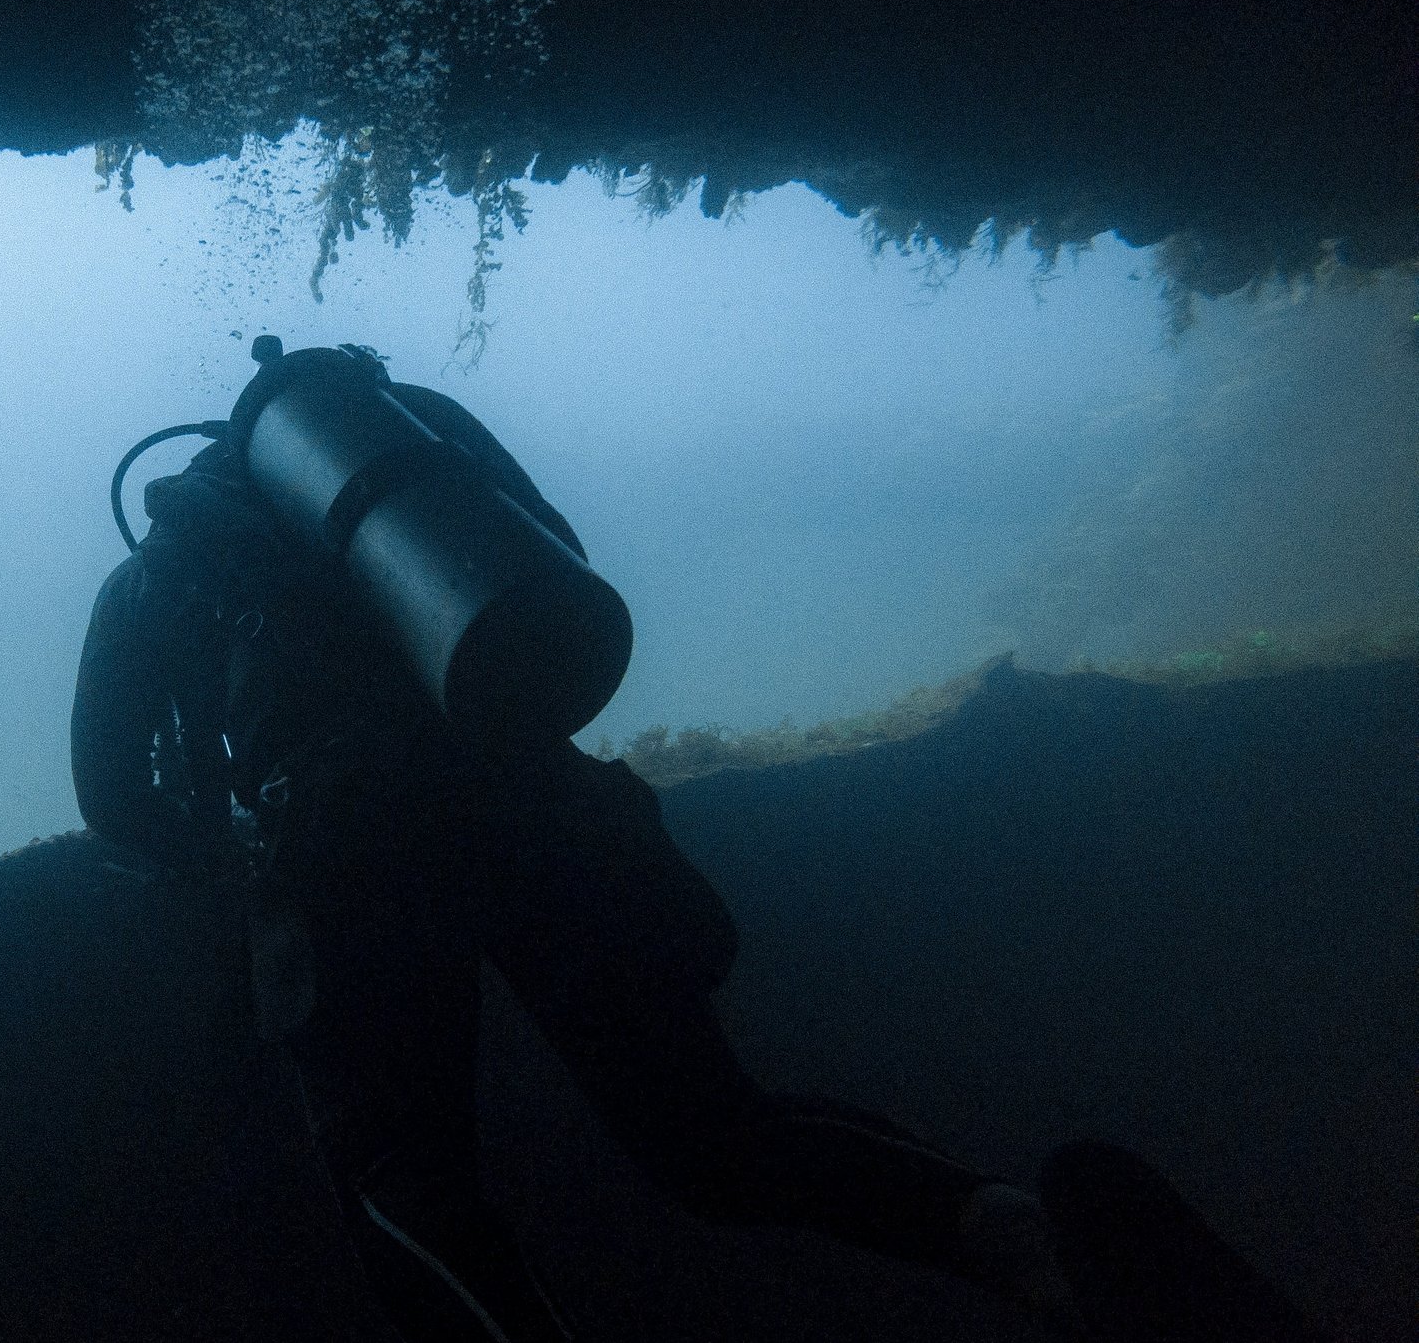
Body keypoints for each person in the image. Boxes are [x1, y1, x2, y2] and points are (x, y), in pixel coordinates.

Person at [71, 342, 1074, 1342]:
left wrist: (227, 845)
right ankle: (984, 1218)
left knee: (404, 1183)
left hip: (347, 852)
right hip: (533, 791)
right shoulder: (426, 453)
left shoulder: (153, 572)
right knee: (709, 1132)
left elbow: (113, 799)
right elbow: (551, 571)